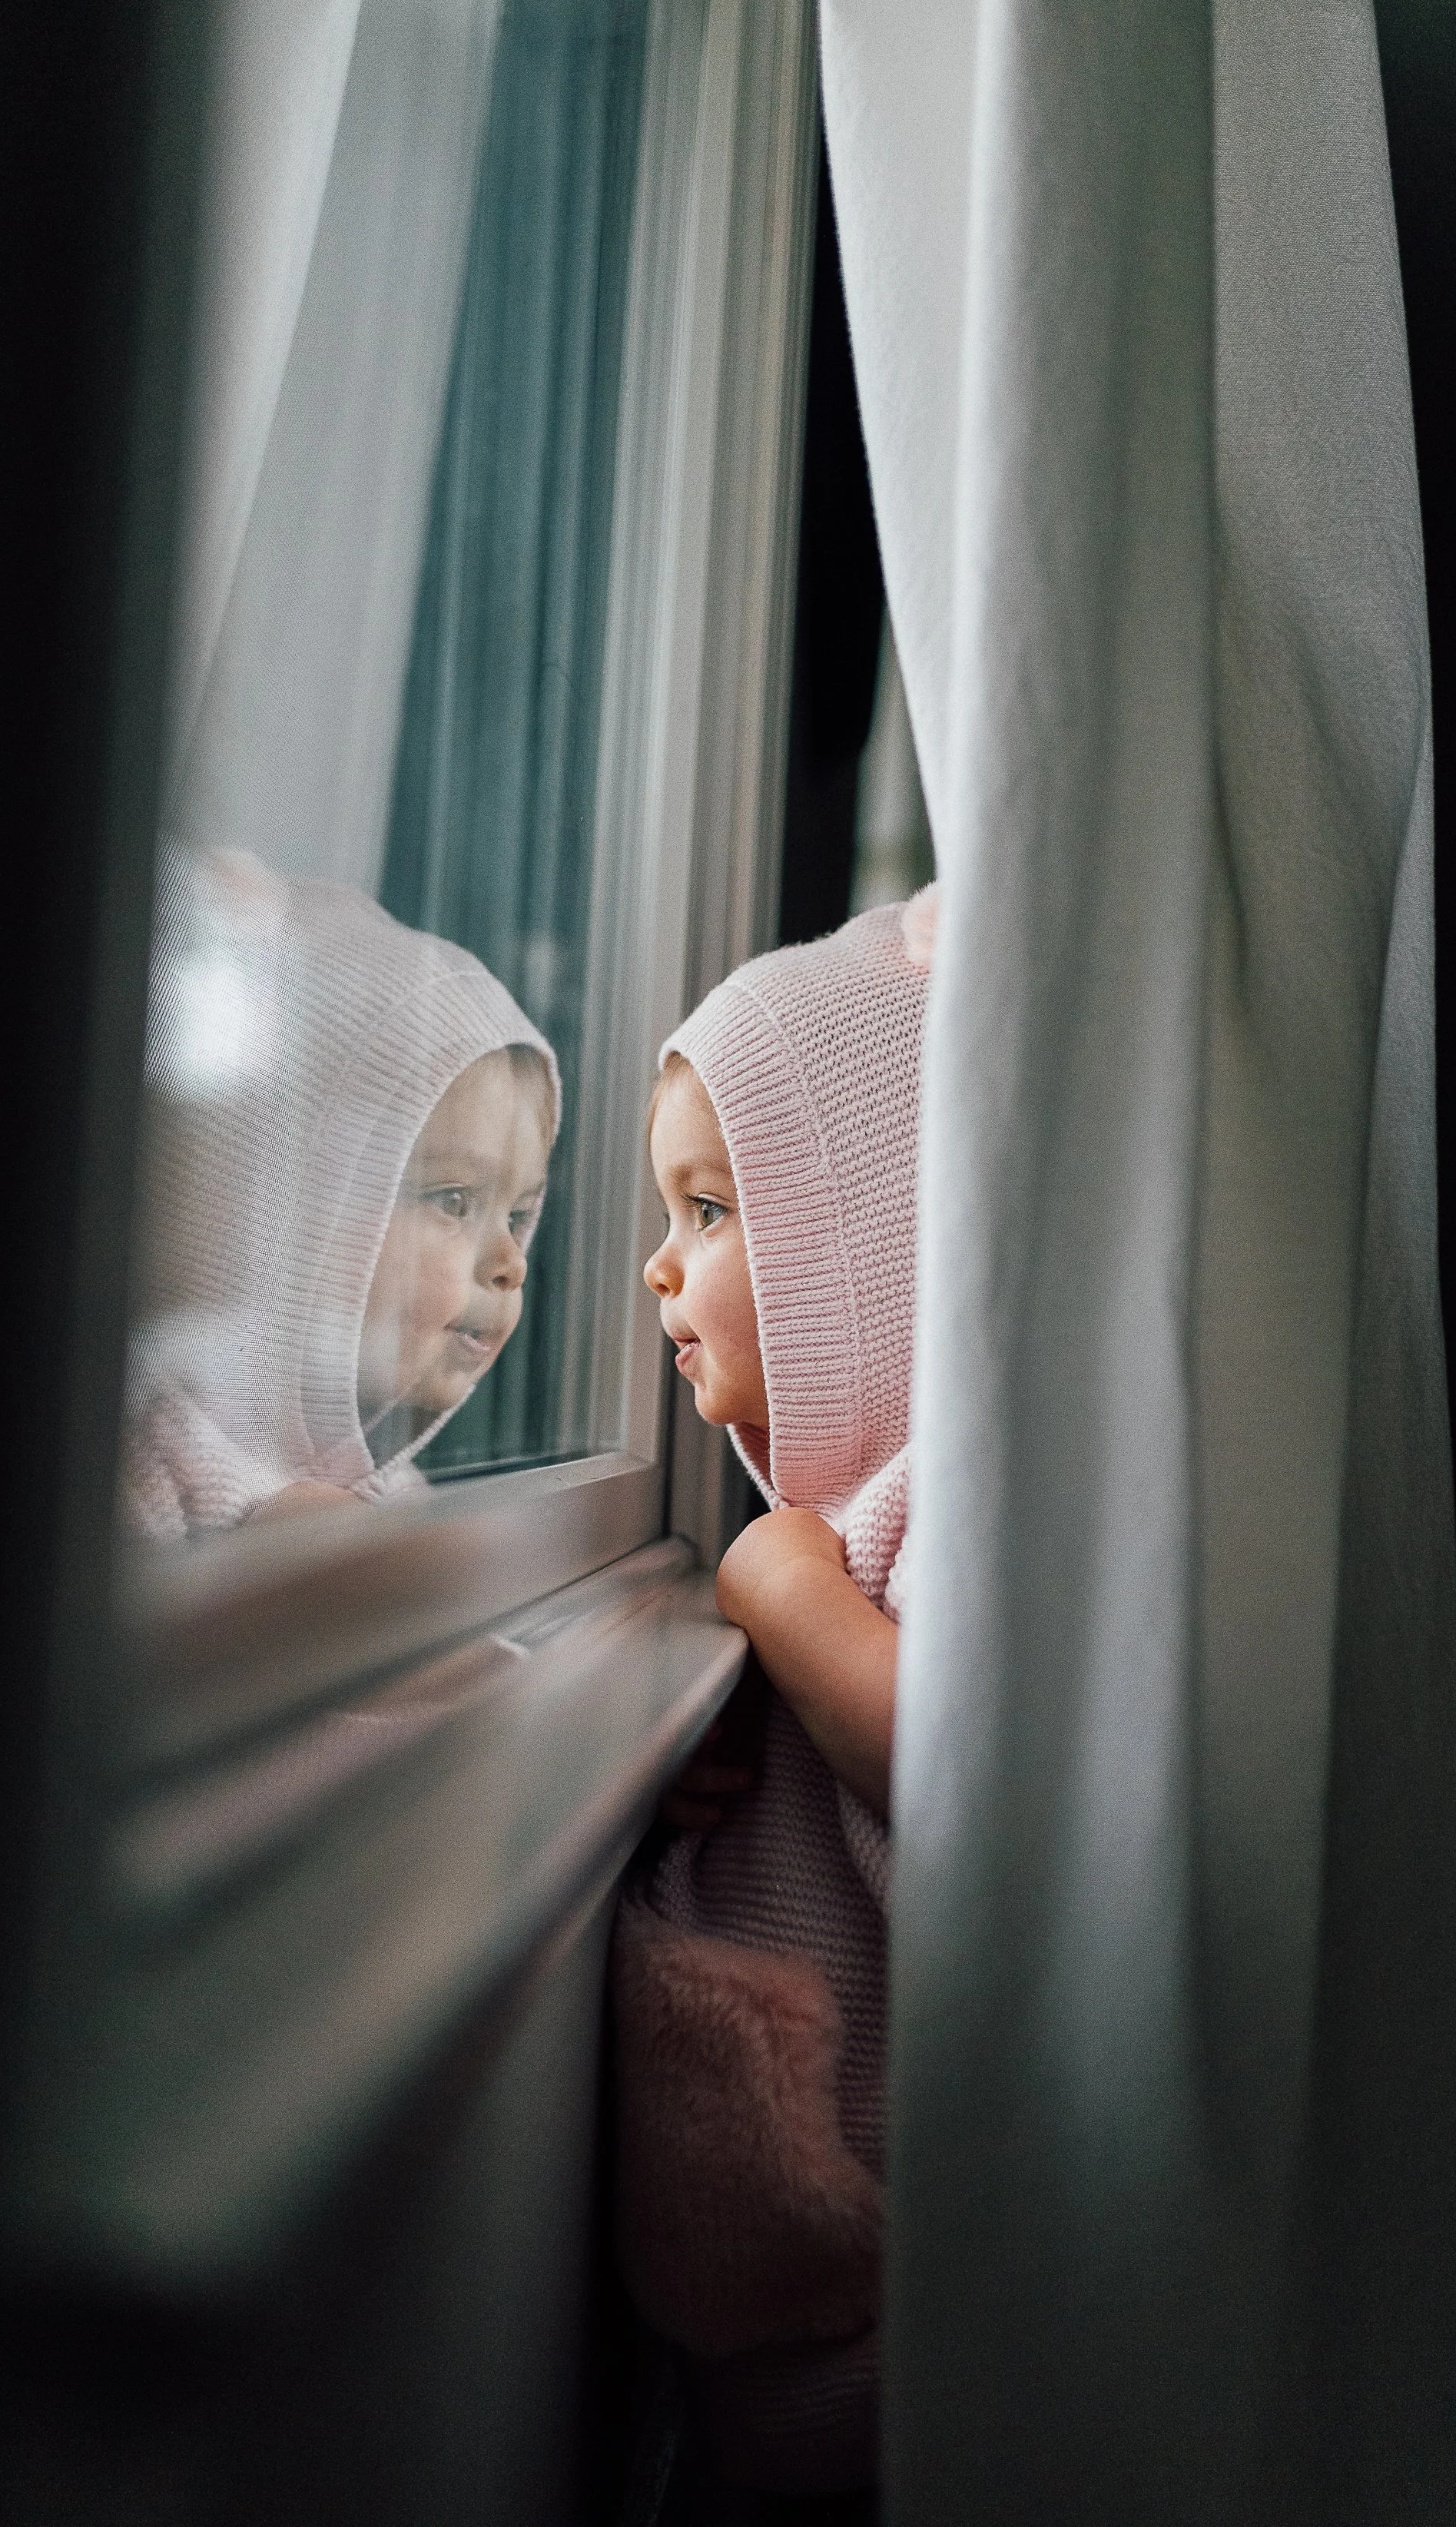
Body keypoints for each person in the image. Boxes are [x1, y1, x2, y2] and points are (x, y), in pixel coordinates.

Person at [612, 893, 934, 2512]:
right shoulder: (854, 1500)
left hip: (920, 2343)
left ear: (883, 1239)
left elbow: (960, 1780)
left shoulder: (952, 1494)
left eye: (714, 1208)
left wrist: (780, 1599)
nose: (659, 1263)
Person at [122, 851, 559, 1540]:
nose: (511, 1261)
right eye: (454, 1201)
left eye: (519, 1213)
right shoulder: (146, 1464)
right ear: (300, 1210)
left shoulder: (396, 1492)